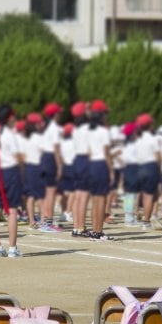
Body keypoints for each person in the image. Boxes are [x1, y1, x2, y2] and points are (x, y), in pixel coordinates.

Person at [0, 103, 23, 258]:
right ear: (9, 117)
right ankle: (12, 248)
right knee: (12, 210)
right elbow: (17, 156)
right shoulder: (9, 134)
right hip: (10, 172)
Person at [87, 100, 114, 241]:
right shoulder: (104, 131)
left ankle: (94, 230)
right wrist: (111, 171)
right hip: (101, 165)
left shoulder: (89, 131)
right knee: (102, 200)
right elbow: (106, 152)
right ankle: (99, 231)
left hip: (91, 165)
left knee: (95, 200)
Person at [135, 113, 161, 230]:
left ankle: (141, 217)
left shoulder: (138, 140)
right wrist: (160, 170)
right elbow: (157, 157)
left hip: (140, 167)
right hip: (150, 167)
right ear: (150, 125)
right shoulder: (153, 139)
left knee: (144, 195)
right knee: (150, 196)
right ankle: (146, 222)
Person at [40, 102, 64, 231]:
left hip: (44, 158)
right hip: (50, 159)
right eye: (59, 112)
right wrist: (60, 165)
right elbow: (56, 148)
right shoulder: (54, 127)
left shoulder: (46, 127)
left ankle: (45, 220)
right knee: (51, 192)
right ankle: (48, 223)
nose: (61, 114)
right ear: (55, 114)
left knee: (46, 193)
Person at [70, 102, 91, 238]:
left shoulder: (76, 129)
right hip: (85, 159)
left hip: (77, 160)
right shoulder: (88, 128)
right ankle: (81, 227)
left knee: (78, 196)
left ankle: (76, 227)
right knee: (83, 196)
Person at [23, 113, 46, 230]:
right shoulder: (38, 137)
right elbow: (45, 150)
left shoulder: (25, 137)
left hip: (27, 167)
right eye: (39, 123)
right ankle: (43, 221)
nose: (41, 124)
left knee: (31, 195)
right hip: (37, 167)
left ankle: (32, 220)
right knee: (41, 196)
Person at [121, 122, 140, 227]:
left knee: (128, 194)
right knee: (132, 194)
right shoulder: (134, 144)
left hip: (128, 168)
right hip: (133, 167)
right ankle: (129, 218)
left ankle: (128, 217)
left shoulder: (126, 144)